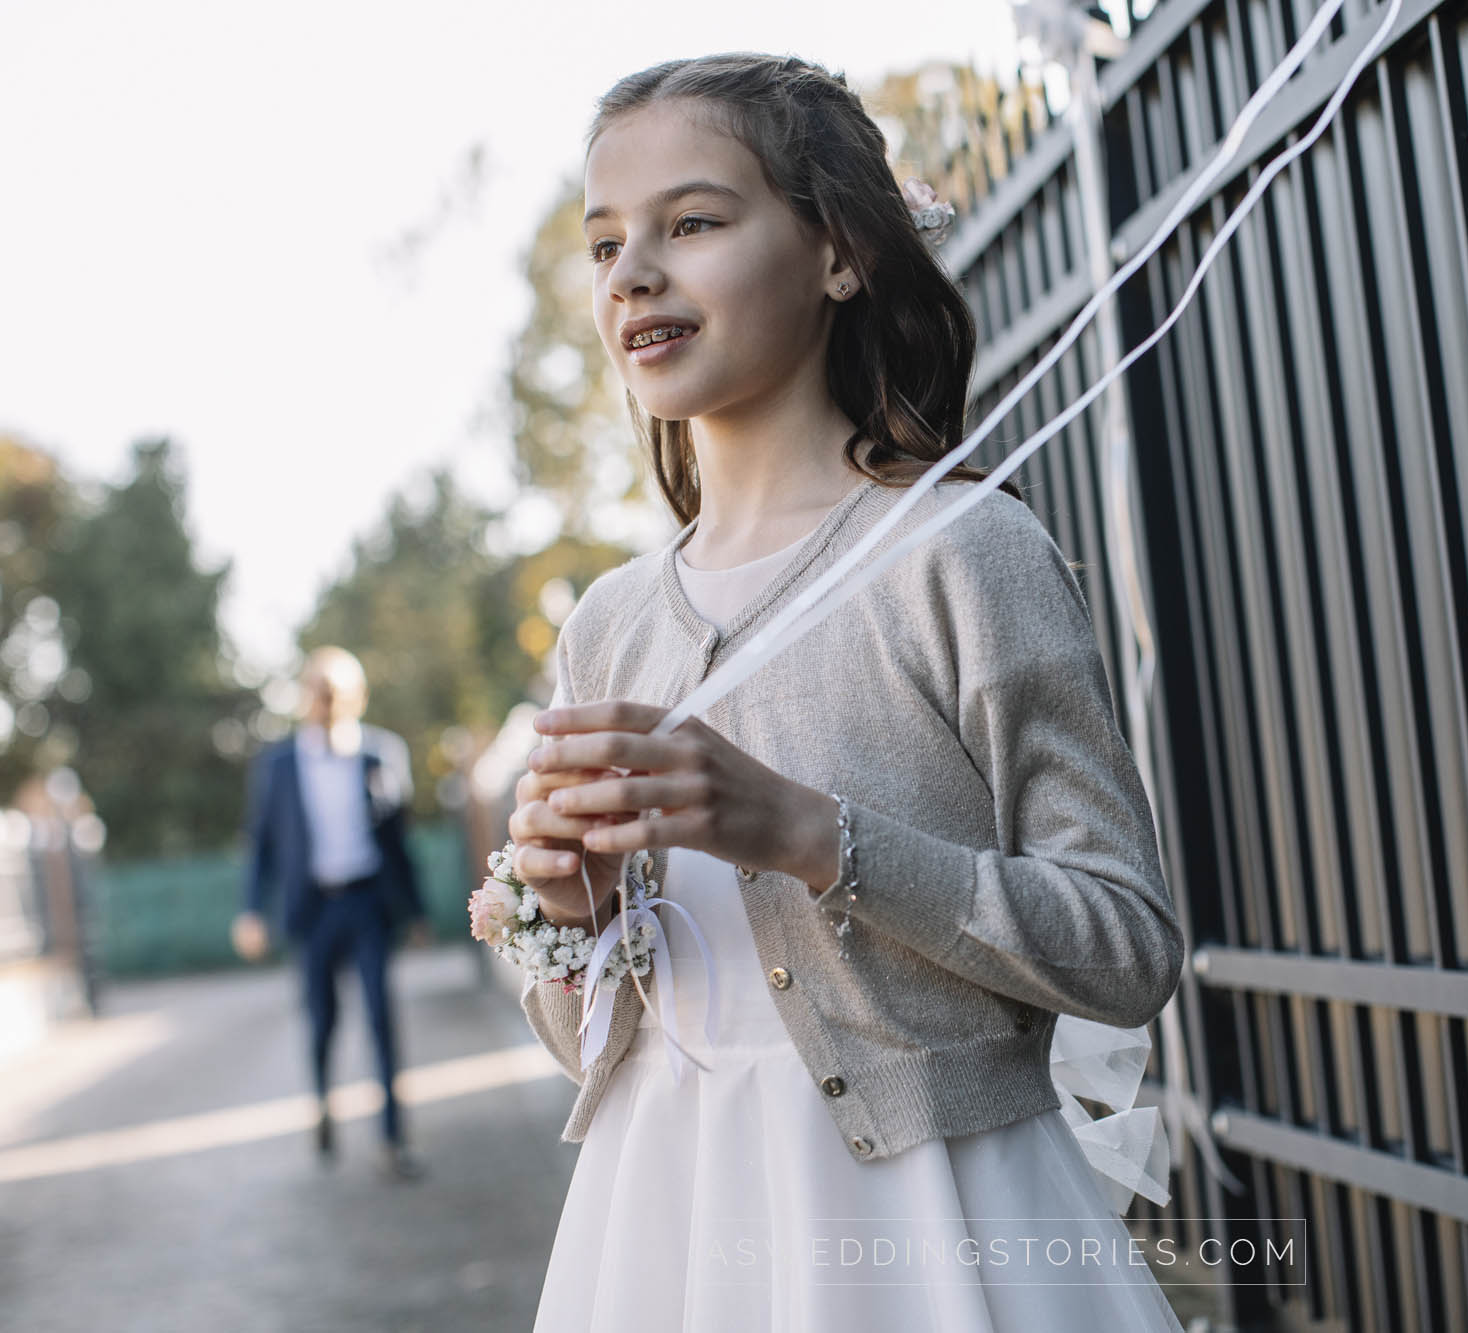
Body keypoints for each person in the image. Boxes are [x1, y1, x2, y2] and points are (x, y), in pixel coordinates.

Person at [503, 52, 1188, 1330]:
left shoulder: (962, 555)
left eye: (692, 222)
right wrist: (567, 915)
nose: (633, 274)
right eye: (604, 245)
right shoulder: (606, 629)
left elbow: (1124, 945)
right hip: (663, 1236)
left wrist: (805, 836)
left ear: (838, 255)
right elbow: (589, 1041)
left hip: (935, 1246)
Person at [235, 645, 426, 1182]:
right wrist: (251, 910)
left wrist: (415, 912)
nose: (324, 700)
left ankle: (392, 1138)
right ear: (302, 697)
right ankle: (322, 1103)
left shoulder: (381, 755)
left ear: (354, 697)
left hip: (367, 901)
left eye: (335, 691)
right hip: (312, 907)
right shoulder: (275, 766)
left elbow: (399, 841)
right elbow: (260, 845)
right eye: (315, 690)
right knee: (321, 1021)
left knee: (380, 1019)